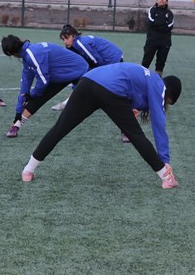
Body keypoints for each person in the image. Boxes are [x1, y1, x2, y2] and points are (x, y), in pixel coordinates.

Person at [20, 62, 181, 189]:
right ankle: (166, 177)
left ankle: (28, 170)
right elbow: (159, 125)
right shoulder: (159, 85)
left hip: (88, 81)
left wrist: (132, 107)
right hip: (110, 89)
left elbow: (131, 89)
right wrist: (164, 159)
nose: (165, 104)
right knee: (136, 136)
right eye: (168, 102)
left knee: (59, 129)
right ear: (170, 94)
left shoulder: (148, 77)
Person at [2, 35, 89, 138]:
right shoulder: (27, 56)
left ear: (12, 53)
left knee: (90, 101)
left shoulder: (32, 54)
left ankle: (17, 126)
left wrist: (32, 95)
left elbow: (43, 81)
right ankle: (16, 126)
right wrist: (18, 111)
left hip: (80, 70)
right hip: (62, 73)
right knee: (37, 98)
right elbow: (25, 84)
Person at [141, 0, 174, 76]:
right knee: (146, 60)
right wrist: (163, 23)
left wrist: (158, 24)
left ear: (166, 2)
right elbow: (151, 21)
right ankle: (142, 76)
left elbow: (170, 25)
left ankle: (158, 78)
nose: (162, 0)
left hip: (165, 42)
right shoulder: (152, 10)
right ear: (157, 0)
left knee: (161, 62)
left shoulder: (169, 13)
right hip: (152, 40)